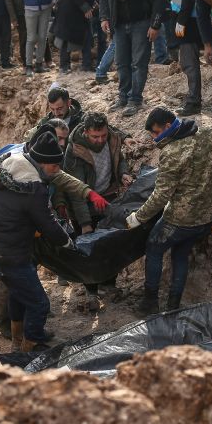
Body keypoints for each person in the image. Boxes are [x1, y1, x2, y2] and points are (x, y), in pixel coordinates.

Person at [0, 132, 75, 351]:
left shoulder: (9, 166)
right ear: (42, 163)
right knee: (39, 303)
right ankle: (31, 346)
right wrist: (66, 242)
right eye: (54, 166)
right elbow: (47, 223)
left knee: (17, 292)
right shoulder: (34, 188)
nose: (56, 170)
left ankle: (16, 338)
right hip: (11, 253)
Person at [125, 107, 212, 313]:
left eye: (155, 132)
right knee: (180, 254)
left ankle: (149, 303)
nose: (154, 137)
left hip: (182, 219)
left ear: (168, 127)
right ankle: (173, 307)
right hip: (208, 216)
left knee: (154, 247)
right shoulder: (207, 133)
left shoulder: (171, 152)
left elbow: (161, 195)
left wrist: (139, 217)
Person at [63, 111, 134, 310]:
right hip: (83, 204)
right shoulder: (74, 152)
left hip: (108, 198)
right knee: (88, 250)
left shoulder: (110, 137)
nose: (100, 140)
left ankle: (108, 285)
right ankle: (91, 292)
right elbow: (75, 191)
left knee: (111, 244)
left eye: (103, 135)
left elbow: (118, 158)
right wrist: (84, 223)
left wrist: (123, 174)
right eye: (95, 137)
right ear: (86, 133)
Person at [100, 0, 166, 116]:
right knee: (121, 62)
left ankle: (135, 99)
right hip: (119, 23)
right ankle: (123, 96)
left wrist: (155, 25)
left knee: (138, 62)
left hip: (142, 22)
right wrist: (104, 17)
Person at [170, 0, 206, 117]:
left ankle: (193, 102)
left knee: (188, 61)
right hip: (201, 15)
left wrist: (181, 20)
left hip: (189, 18)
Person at [55, 0, 102, 74]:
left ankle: (86, 65)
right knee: (67, 38)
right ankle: (64, 66)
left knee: (87, 37)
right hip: (71, 12)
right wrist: (86, 7)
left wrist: (93, 5)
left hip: (80, 12)